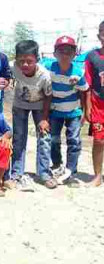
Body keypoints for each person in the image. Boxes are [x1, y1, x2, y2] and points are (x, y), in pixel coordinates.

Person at [9, 40, 57, 190]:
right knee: (18, 138)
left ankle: (43, 173)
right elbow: (4, 74)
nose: (25, 65)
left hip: (40, 106)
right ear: (16, 59)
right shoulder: (12, 67)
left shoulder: (44, 75)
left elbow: (49, 96)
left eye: (29, 61)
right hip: (20, 105)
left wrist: (44, 119)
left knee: (44, 137)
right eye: (21, 61)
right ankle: (16, 173)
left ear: (37, 59)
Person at [45, 36, 88, 186]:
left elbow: (84, 91)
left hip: (74, 111)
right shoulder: (48, 68)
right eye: (61, 51)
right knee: (53, 139)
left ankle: (71, 171)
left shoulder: (78, 72)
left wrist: (84, 111)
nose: (65, 55)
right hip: (55, 111)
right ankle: (57, 165)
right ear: (55, 53)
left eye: (69, 51)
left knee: (74, 141)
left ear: (74, 54)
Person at [85, 20, 104, 187]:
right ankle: (98, 176)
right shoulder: (92, 57)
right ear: (99, 35)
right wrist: (88, 107)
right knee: (99, 141)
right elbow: (88, 85)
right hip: (98, 105)